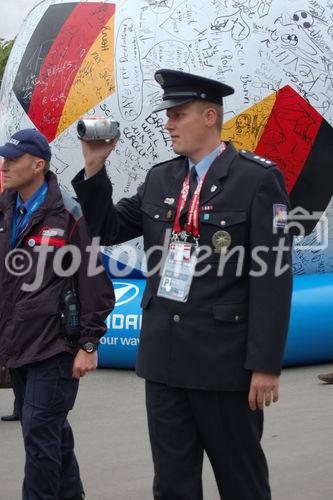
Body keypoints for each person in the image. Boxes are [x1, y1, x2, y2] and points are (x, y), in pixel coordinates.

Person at [72, 69, 293, 500]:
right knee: (172, 485)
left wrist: (265, 364)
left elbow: (273, 278)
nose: (168, 123)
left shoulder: (257, 180)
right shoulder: (162, 178)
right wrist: (95, 168)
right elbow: (106, 228)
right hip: (165, 362)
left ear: (210, 116)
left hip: (225, 365)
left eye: (178, 114)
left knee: (241, 482)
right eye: (167, 115)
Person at [0, 129, 115, 500]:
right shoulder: (4, 207)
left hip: (56, 346)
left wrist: (89, 342)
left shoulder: (67, 211)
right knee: (51, 431)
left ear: (38, 165)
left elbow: (94, 282)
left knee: (38, 432)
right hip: (18, 343)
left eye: (12, 160)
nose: (4, 166)